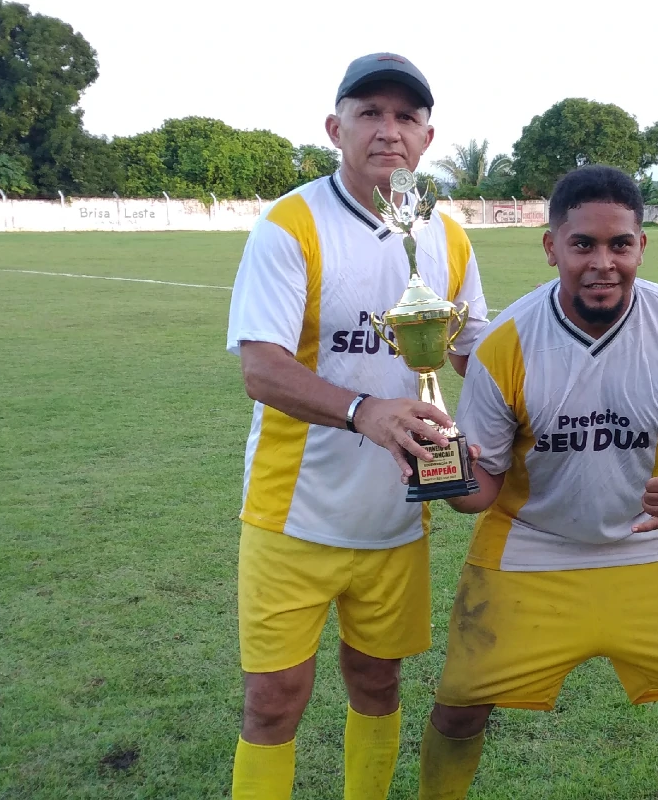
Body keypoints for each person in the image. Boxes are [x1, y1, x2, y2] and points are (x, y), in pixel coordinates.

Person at [417, 165, 658, 800]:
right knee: (461, 705)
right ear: (552, 247)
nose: (603, 262)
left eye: (619, 245)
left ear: (640, 246)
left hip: (644, 542)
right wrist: (440, 473)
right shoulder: (505, 344)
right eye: (583, 245)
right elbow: (483, 492)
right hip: (530, 544)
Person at [225, 52, 489, 800]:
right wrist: (364, 410)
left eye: (406, 116)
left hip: (399, 515)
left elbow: (475, 351)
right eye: (370, 112)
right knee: (274, 698)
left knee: (378, 682)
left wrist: (552, 391)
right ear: (335, 127)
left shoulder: (447, 233)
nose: (388, 130)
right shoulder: (291, 223)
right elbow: (262, 368)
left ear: (428, 138)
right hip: (294, 514)